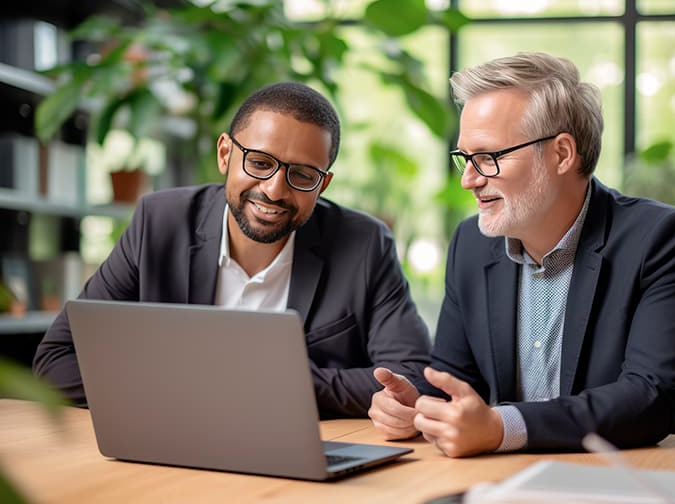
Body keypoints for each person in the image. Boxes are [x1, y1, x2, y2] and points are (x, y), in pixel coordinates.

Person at [368, 52, 675, 457]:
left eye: (488, 157)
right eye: (465, 158)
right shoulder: (471, 243)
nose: (469, 179)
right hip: (508, 478)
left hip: (648, 475)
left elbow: (651, 398)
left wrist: (502, 427)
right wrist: (419, 405)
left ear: (562, 154)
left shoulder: (663, 239)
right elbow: (456, 379)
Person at [33, 82, 431, 418]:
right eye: (259, 162)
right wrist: (199, 392)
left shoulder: (364, 244)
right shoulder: (161, 221)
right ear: (226, 154)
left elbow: (411, 376)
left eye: (302, 175)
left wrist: (272, 383)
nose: (275, 189)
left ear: (322, 185)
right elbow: (56, 361)